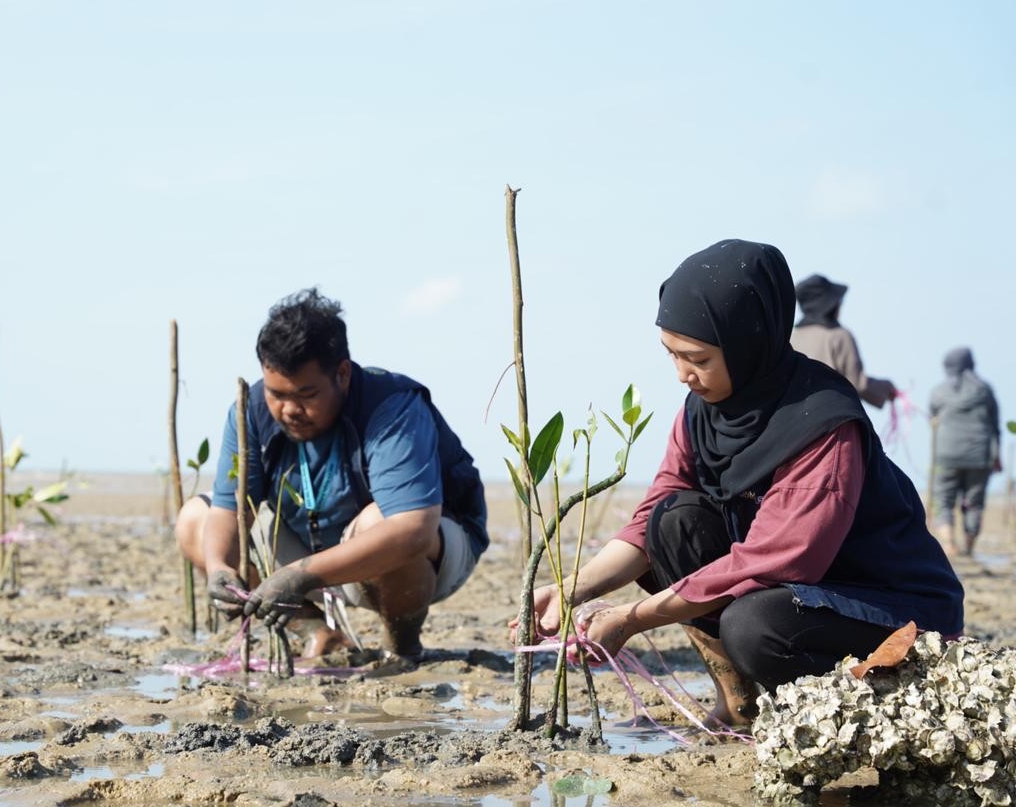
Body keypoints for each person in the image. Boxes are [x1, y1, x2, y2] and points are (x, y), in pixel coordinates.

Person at [524, 240, 963, 727]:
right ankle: (739, 705)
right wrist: (572, 591)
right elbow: (650, 517)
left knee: (754, 626)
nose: (682, 375)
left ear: (749, 342)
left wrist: (631, 618)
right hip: (792, 590)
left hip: (886, 605)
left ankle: (834, 723)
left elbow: (779, 558)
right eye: (671, 355)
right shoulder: (701, 413)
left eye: (699, 359)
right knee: (674, 523)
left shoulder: (821, 422)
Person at [176, 289, 487, 662]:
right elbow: (229, 511)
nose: (289, 409)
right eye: (276, 393)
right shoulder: (252, 409)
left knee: (382, 522)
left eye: (306, 394)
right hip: (308, 557)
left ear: (342, 374)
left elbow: (413, 529)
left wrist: (301, 575)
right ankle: (320, 635)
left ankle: (401, 645)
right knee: (195, 518)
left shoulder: (390, 406)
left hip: (428, 555)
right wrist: (218, 567)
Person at [929, 347, 1002, 557]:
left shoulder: (938, 392)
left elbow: (932, 419)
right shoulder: (985, 390)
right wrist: (996, 456)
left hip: (946, 454)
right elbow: (995, 426)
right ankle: (969, 548)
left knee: (943, 499)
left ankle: (949, 545)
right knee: (974, 503)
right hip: (979, 455)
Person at [790, 274, 896, 408]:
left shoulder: (791, 338)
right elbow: (858, 383)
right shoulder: (839, 336)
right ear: (830, 305)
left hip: (797, 418)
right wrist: (887, 389)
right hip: (831, 417)